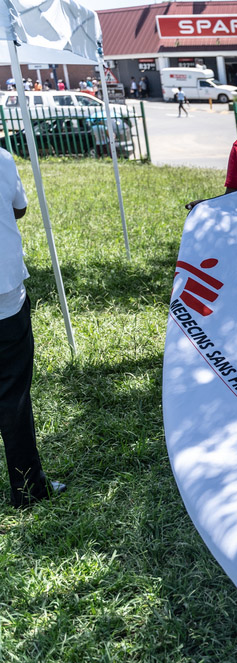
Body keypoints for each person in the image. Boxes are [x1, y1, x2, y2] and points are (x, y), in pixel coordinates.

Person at [0, 148, 65, 508]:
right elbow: (19, 208)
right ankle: (28, 488)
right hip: (4, 293)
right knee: (13, 395)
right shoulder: (3, 159)